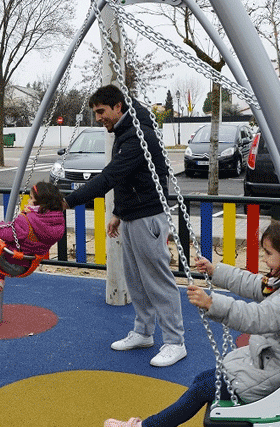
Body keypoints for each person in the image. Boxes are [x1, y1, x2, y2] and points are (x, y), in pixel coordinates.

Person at [105, 217, 280, 427]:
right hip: (266, 360)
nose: (264, 259)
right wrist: (215, 271)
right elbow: (255, 284)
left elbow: (258, 317)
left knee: (201, 390)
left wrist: (212, 303)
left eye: (268, 253)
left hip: (273, 373)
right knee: (202, 380)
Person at [63, 84, 185, 367]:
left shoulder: (137, 137)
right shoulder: (124, 132)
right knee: (136, 280)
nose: (98, 118)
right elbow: (127, 179)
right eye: (95, 112)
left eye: (101, 111)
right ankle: (143, 332)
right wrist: (118, 211)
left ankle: (175, 341)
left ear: (118, 107)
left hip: (148, 218)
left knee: (157, 280)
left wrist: (68, 202)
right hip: (131, 215)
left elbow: (110, 176)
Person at [0, 181, 65, 294]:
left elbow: (6, 233)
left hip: (11, 263)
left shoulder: (26, 220)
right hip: (29, 265)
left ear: (39, 204)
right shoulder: (58, 223)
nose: (28, 201)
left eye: (31, 198)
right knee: (8, 247)